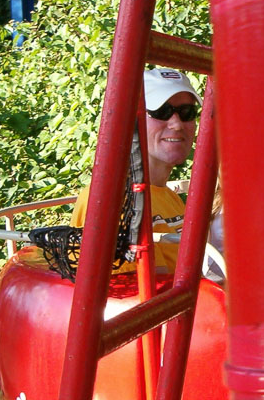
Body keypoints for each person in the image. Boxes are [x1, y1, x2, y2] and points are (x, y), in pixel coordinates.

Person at [70, 68, 201, 274]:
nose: (177, 124)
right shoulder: (114, 201)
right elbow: (147, 289)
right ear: (131, 120)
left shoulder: (169, 196)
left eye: (187, 113)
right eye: (161, 112)